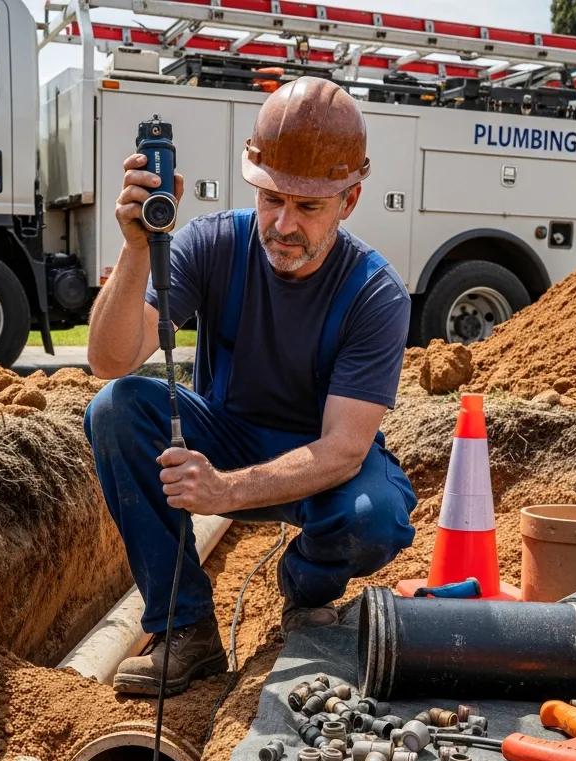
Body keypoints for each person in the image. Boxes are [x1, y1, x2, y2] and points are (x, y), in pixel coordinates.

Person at [84, 76, 417, 697]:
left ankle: (303, 590)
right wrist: (136, 252)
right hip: (227, 432)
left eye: (308, 206)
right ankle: (186, 629)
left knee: (378, 520)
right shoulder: (213, 244)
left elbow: (344, 449)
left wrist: (224, 492)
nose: (284, 224)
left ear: (350, 200)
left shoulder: (375, 293)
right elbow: (110, 360)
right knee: (117, 409)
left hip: (318, 463)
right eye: (271, 200)